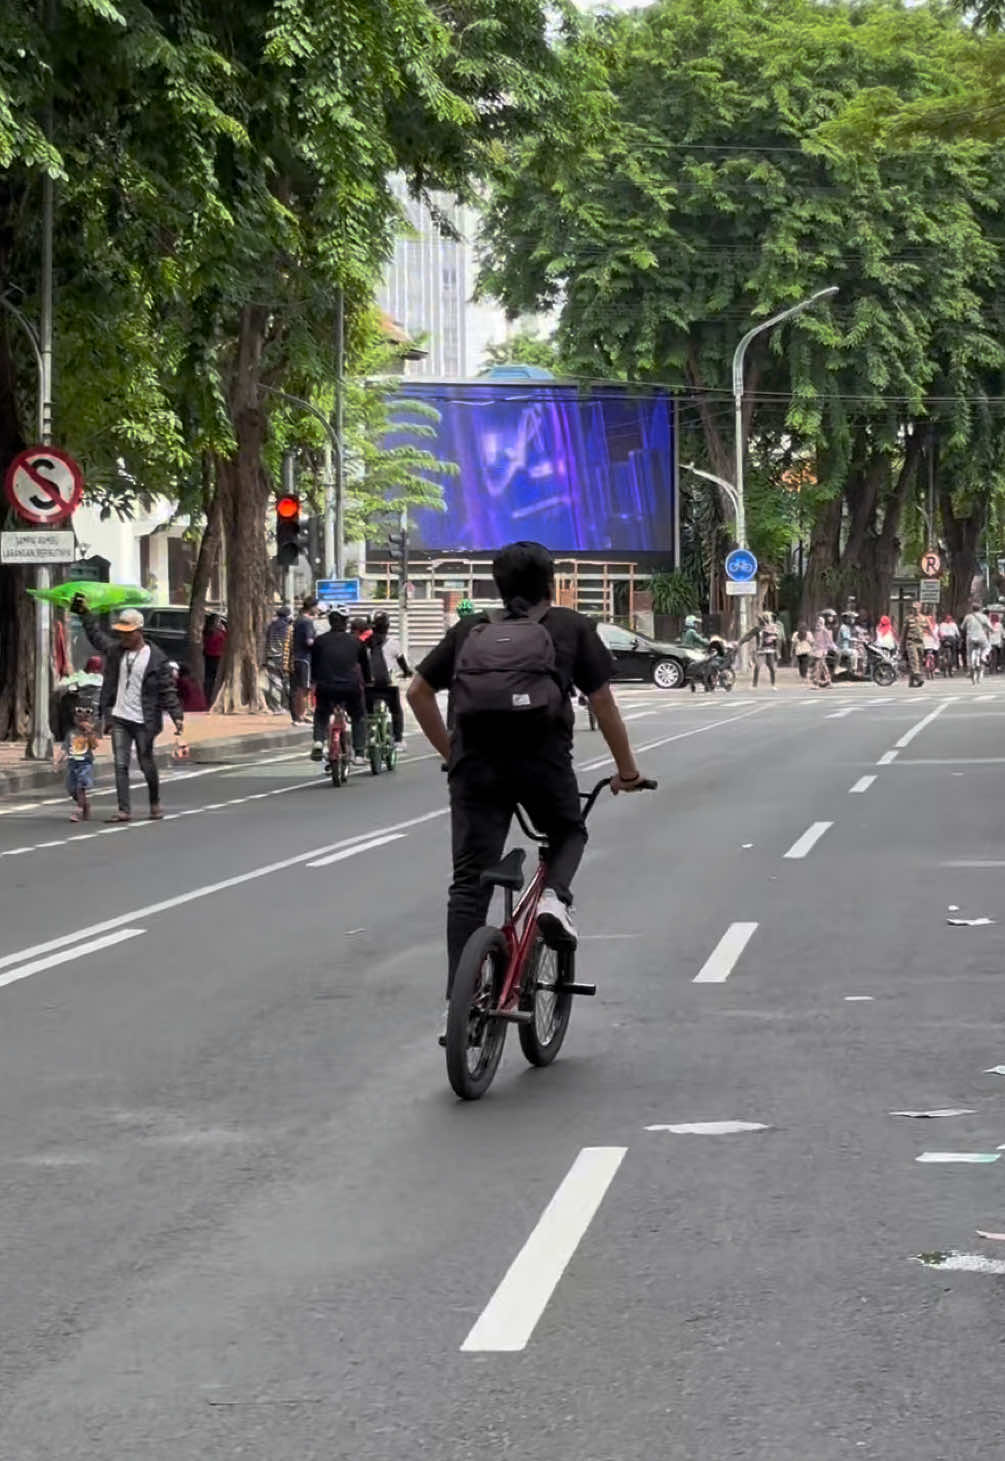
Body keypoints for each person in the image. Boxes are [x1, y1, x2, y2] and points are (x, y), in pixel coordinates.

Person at [406, 540, 648, 1039]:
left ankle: (460, 1004)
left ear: (497, 585)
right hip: (542, 765)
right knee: (568, 832)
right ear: (551, 584)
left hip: (476, 769)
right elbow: (602, 702)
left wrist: (451, 755)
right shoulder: (571, 627)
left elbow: (417, 693)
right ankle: (555, 900)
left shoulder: (470, 630)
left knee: (468, 884)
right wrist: (627, 771)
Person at [72, 599, 185, 822]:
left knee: (146, 762)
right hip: (120, 716)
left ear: (139, 632)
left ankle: (154, 803)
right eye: (121, 633)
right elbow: (97, 637)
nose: (124, 637)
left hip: (145, 719)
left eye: (128, 633)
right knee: (120, 764)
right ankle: (124, 810)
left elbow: (167, 690)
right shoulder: (116, 652)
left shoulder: (156, 658)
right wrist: (85, 614)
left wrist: (177, 716)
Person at [310, 606, 370, 761]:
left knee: (321, 713)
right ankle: (359, 753)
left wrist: (314, 682)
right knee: (358, 716)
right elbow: (365, 666)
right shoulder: (356, 642)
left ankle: (318, 741)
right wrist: (368, 682)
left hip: (325, 686)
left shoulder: (319, 641)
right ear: (346, 622)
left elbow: (314, 665)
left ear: (330, 621)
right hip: (350, 687)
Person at [367, 610, 411, 749]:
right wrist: (407, 673)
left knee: (367, 713)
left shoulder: (364, 644)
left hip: (369, 686)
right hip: (388, 685)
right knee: (396, 710)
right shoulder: (393, 643)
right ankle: (398, 739)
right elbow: (403, 665)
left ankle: (367, 737)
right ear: (387, 626)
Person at [290, 596, 318, 724]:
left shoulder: (299, 620)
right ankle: (300, 715)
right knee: (304, 688)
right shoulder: (307, 622)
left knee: (301, 688)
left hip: (298, 657)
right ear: (312, 607)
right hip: (305, 658)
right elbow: (309, 641)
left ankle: (301, 714)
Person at [263, 603, 292, 713]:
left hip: (270, 657)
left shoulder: (271, 626)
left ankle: (276, 707)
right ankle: (288, 706)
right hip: (283, 658)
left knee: (274, 683)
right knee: (287, 683)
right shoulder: (287, 627)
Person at [743, 610, 781, 689]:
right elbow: (750, 636)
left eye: (762, 619)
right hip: (761, 650)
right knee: (757, 666)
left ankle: (773, 684)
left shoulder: (773, 627)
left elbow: (776, 639)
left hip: (770, 650)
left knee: (771, 667)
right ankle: (754, 685)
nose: (760, 621)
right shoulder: (758, 628)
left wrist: (777, 650)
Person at [962, 601, 992, 679]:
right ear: (980, 609)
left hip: (970, 637)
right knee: (987, 647)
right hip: (981, 637)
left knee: (969, 653)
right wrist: (992, 630)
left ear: (972, 609)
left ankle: (969, 670)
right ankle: (983, 656)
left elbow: (962, 627)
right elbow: (990, 627)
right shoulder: (984, 617)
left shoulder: (968, 617)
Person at [901, 601, 928, 687]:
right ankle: (919, 679)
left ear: (920, 608)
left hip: (920, 642)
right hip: (911, 642)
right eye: (913, 608)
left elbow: (926, 630)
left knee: (919, 662)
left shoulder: (923, 618)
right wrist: (902, 645)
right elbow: (903, 633)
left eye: (917, 608)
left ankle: (912, 681)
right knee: (914, 661)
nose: (915, 610)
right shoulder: (908, 619)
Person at [202, 614, 227, 704]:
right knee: (217, 678)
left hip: (208, 656)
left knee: (209, 679)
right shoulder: (218, 632)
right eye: (218, 621)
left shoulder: (206, 631)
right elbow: (225, 639)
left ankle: (208, 697)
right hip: (216, 657)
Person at [811, 615, 833, 688]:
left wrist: (829, 649)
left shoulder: (824, 630)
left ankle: (816, 683)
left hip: (822, 651)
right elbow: (815, 642)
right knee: (823, 667)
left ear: (822, 623)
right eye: (817, 622)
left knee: (818, 667)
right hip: (817, 651)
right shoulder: (816, 631)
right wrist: (813, 648)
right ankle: (829, 682)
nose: (818, 623)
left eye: (820, 622)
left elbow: (829, 641)